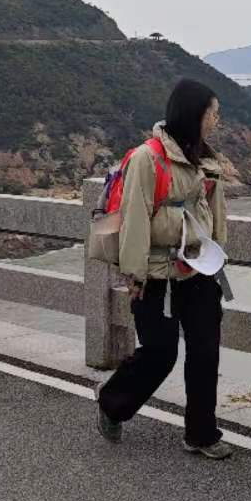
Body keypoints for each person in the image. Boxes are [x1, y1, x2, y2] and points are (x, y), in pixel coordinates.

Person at [94, 78, 234, 459]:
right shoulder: (148, 158)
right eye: (212, 113)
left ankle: (201, 434)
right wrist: (134, 275)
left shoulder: (206, 159)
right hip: (157, 273)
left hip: (199, 270)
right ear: (193, 114)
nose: (216, 121)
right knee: (160, 352)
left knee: (205, 352)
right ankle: (112, 401)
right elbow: (136, 219)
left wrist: (218, 258)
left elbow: (216, 213)